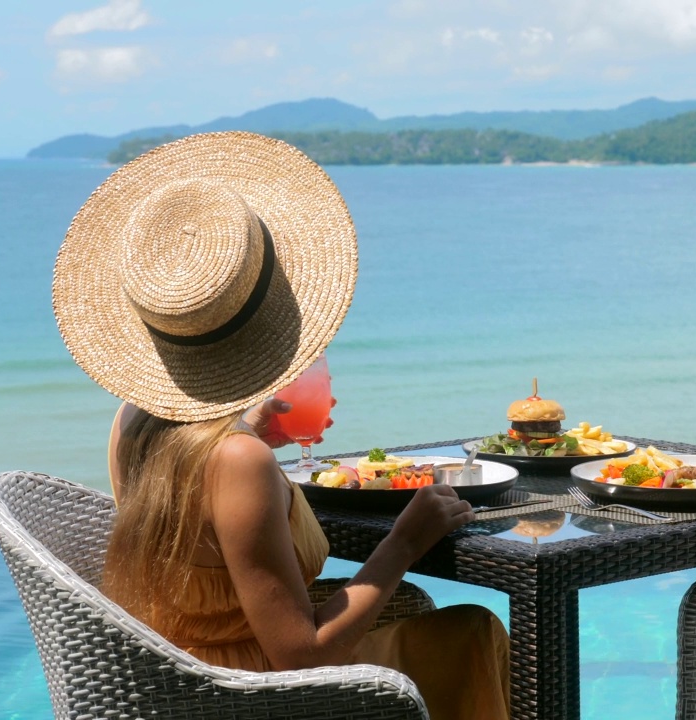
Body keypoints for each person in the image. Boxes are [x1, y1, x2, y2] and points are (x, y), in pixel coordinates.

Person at [52, 131, 510, 719]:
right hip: (250, 699)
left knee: (414, 607)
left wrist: (249, 430)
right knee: (473, 631)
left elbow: (199, 539)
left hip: (174, 679)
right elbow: (300, 658)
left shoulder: (133, 420)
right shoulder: (238, 462)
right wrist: (405, 540)